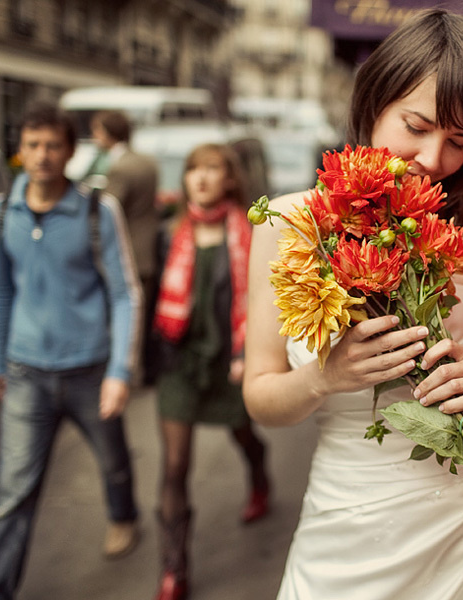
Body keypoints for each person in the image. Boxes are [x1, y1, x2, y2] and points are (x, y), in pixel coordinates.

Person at [244, 8, 463, 600]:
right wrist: (324, 377)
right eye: (416, 126)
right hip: (348, 521)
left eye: (459, 142)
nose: (433, 158)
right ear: (373, 103)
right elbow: (261, 397)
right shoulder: (288, 223)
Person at [0, 103, 142, 600]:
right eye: (32, 145)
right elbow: (0, 289)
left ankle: (123, 515)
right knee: (12, 493)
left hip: (91, 369)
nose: (43, 156)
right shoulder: (1, 210)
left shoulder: (97, 210)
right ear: (18, 152)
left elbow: (124, 292)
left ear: (70, 152)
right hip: (27, 372)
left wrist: (120, 370)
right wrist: (0, 361)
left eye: (53, 145)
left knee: (113, 462)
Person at [151, 143, 270, 600]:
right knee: (175, 465)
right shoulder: (169, 233)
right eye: (192, 169)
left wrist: (250, 353)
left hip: (230, 361)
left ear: (230, 179)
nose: (200, 178)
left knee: (242, 434)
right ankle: (174, 569)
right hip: (179, 363)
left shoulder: (249, 233)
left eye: (211, 169)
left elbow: (260, 301)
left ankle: (259, 477)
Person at [90, 109, 161, 385]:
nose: (95, 138)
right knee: (144, 313)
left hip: (129, 250)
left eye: (97, 131)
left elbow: (109, 210)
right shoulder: (146, 161)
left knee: (129, 314)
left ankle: (129, 372)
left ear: (109, 134)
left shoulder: (120, 168)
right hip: (148, 247)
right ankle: (143, 369)